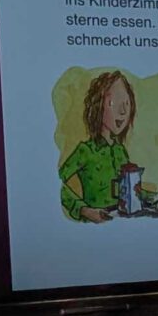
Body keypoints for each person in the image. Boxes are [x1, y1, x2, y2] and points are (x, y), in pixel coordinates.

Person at [58, 70, 136, 223]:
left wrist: (155, 198)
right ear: (98, 106)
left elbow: (130, 188)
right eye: (113, 103)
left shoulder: (120, 151)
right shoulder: (85, 151)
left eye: (127, 103)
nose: (123, 111)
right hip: (94, 226)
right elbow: (57, 184)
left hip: (121, 222)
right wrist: (84, 210)